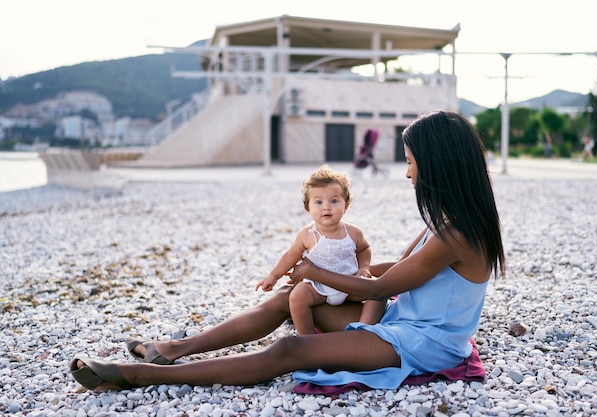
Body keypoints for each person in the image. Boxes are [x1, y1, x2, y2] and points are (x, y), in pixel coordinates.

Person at [69, 110, 505, 392]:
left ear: (438, 164)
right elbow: (401, 270)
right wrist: (328, 273)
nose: (407, 173)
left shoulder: (459, 233)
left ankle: (142, 375)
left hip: (427, 342)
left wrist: (315, 270)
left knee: (289, 351)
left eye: (411, 161)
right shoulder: (446, 222)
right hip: (404, 321)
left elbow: (383, 287)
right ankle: (174, 348)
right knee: (285, 301)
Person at [255, 164, 386, 335]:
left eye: (334, 201)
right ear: (308, 207)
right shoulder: (307, 235)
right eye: (318, 202)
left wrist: (364, 268)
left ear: (346, 205)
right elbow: (290, 256)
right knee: (297, 296)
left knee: (378, 290)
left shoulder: (353, 232)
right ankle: (307, 338)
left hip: (349, 283)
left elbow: (364, 249)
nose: (326, 207)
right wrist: (273, 275)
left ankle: (363, 330)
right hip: (318, 288)